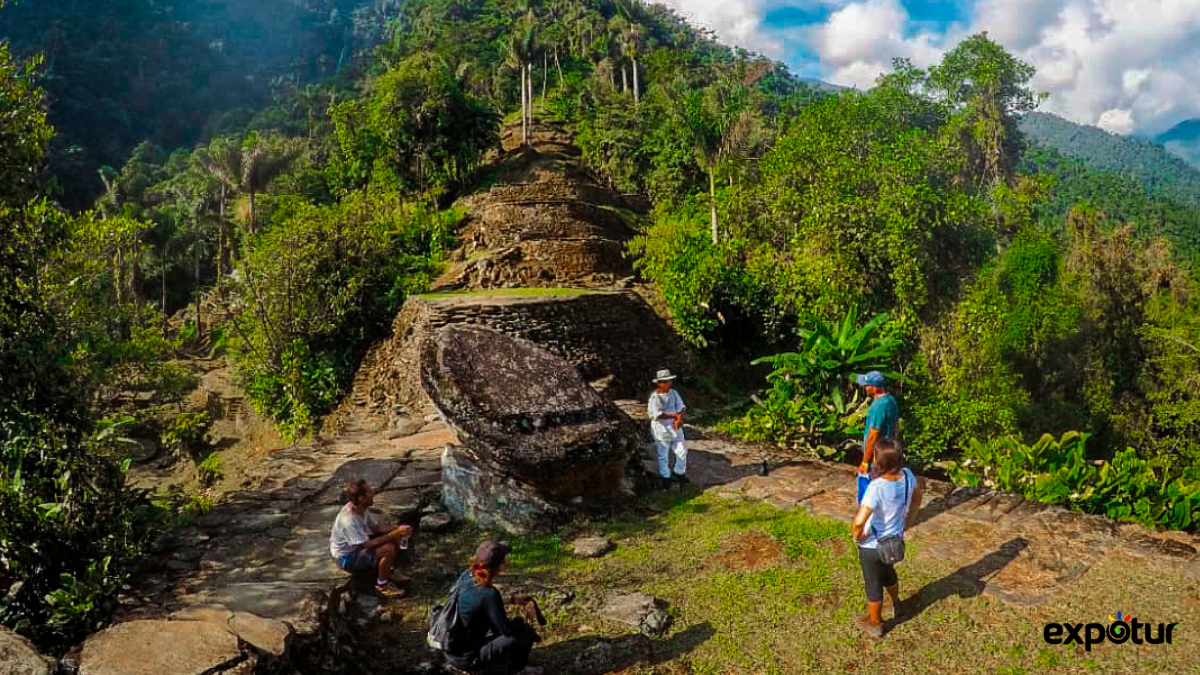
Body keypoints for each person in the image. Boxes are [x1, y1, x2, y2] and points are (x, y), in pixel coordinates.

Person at [851, 439, 924, 638]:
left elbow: (859, 521)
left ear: (879, 463)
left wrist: (857, 537)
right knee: (888, 572)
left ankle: (875, 622)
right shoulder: (908, 476)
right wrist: (907, 524)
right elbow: (918, 499)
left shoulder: (876, 487)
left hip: (872, 545)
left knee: (873, 583)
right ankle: (896, 604)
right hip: (894, 541)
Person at [442, 541, 544, 675]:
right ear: (500, 566)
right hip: (467, 659)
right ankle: (520, 670)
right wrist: (529, 621)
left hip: (452, 650)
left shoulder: (467, 575)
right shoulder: (489, 593)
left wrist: (512, 600)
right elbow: (505, 631)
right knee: (522, 630)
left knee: (517, 627)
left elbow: (478, 602)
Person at [328, 478, 413, 598]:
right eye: (369, 491)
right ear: (362, 498)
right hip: (346, 557)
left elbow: (376, 528)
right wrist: (393, 534)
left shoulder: (362, 508)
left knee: (395, 537)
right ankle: (382, 585)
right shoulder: (349, 520)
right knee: (387, 549)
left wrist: (397, 528)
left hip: (358, 546)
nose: (373, 492)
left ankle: (388, 571)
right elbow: (367, 545)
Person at [855, 370, 899, 504]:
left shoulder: (877, 406)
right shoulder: (891, 401)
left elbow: (873, 434)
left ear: (873, 388)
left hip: (877, 454)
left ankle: (868, 517)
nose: (864, 387)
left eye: (866, 385)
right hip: (889, 451)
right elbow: (896, 426)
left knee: (871, 489)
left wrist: (865, 461)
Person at [648, 368, 687, 489]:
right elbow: (656, 414)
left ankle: (679, 473)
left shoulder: (674, 393)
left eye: (669, 381)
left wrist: (679, 418)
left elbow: (681, 407)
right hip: (661, 428)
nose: (668, 384)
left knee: (682, 450)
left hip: (675, 427)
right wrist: (673, 415)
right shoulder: (654, 398)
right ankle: (665, 478)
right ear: (659, 383)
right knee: (663, 454)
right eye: (665, 382)